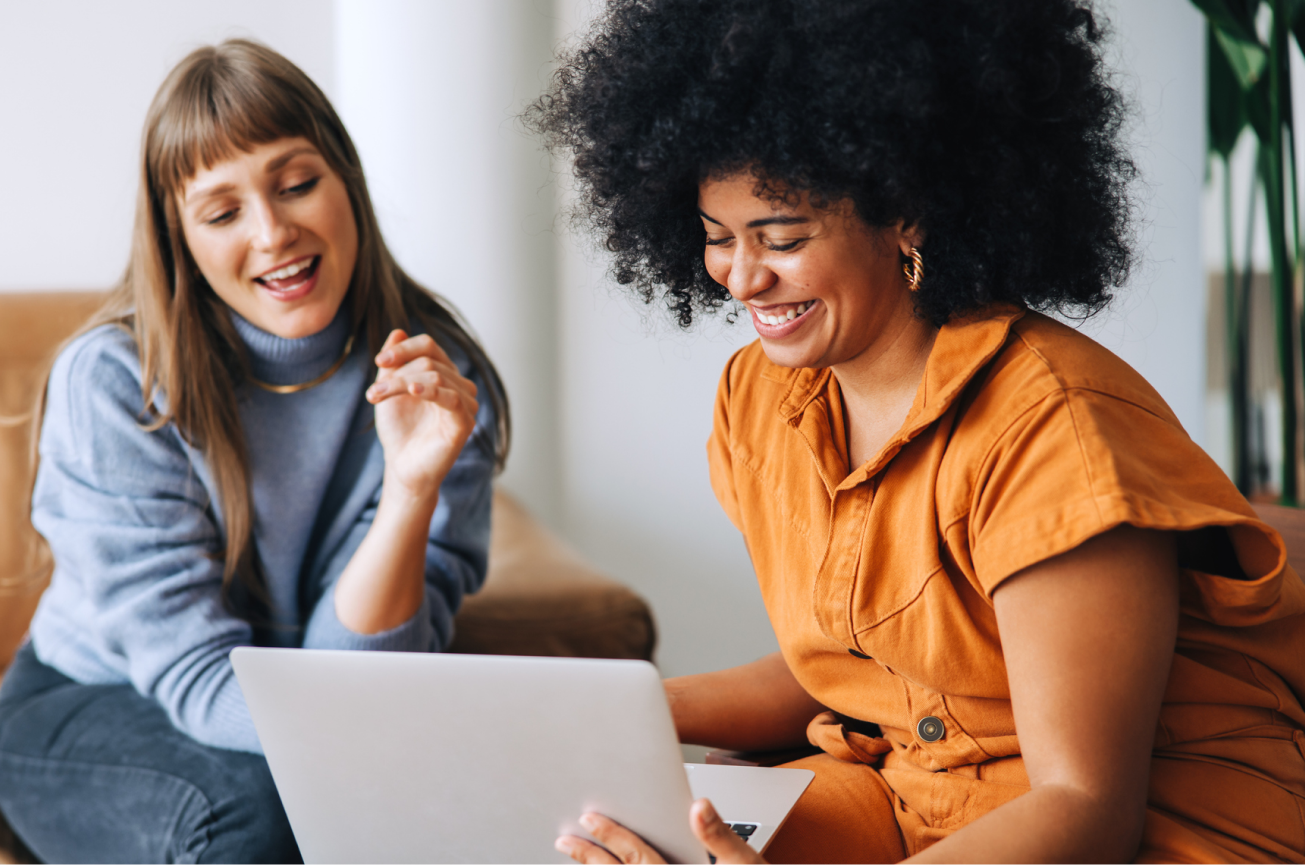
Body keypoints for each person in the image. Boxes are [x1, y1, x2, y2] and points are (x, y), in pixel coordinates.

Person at [531, 1, 1305, 863]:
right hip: (915, 790)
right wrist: (610, 713)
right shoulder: (761, 399)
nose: (742, 277)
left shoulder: (1052, 427)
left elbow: (1083, 805)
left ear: (906, 211)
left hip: (1152, 824)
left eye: (780, 237)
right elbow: (853, 664)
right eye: (717, 238)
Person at [0, 39, 507, 865]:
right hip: (91, 702)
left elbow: (372, 681)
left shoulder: (441, 384)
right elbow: (199, 681)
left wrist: (409, 491)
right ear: (180, 238)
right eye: (222, 212)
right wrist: (363, 754)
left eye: (297, 184)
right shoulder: (117, 383)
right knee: (267, 816)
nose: (272, 232)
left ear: (347, 183)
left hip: (313, 711)